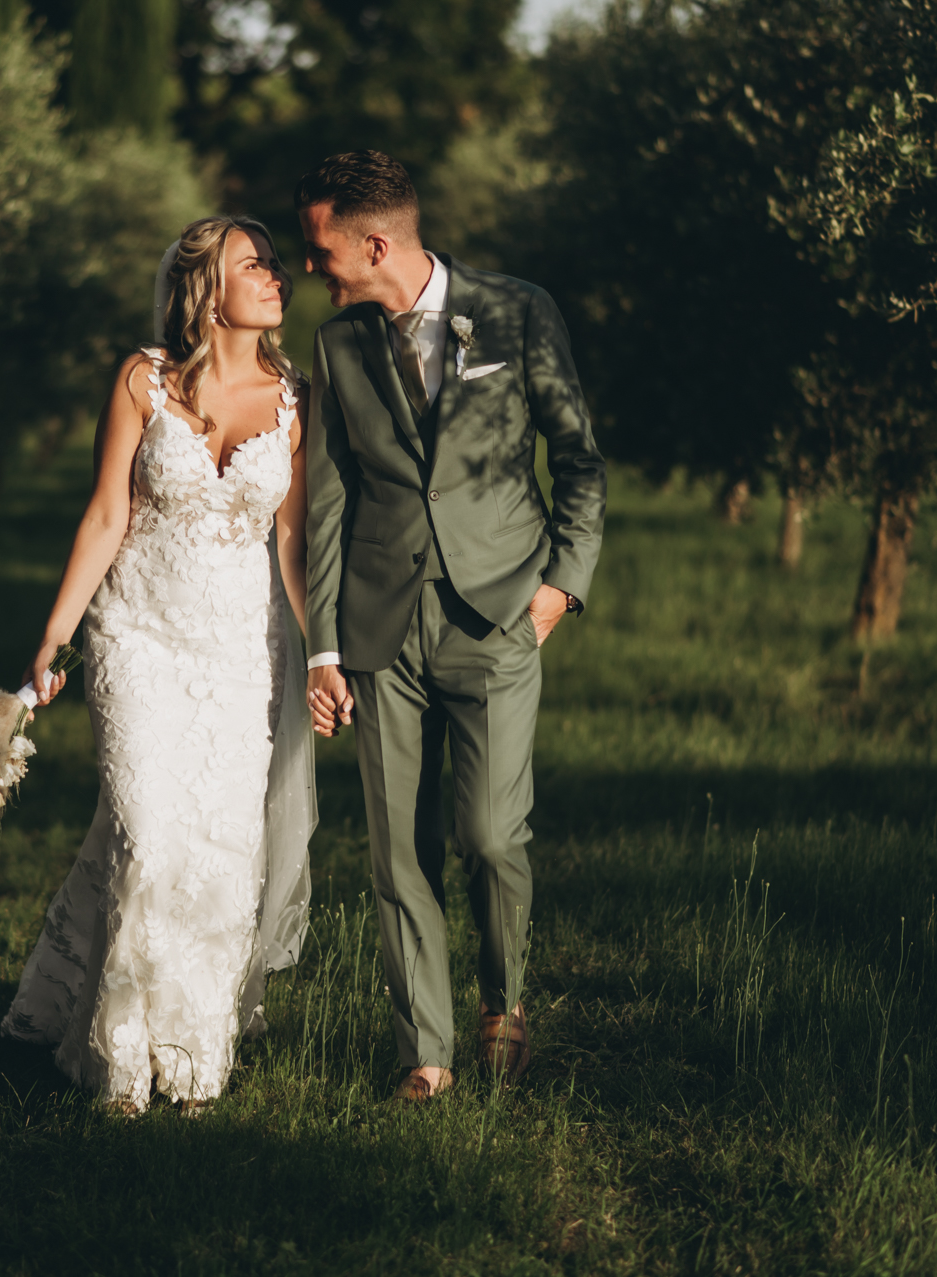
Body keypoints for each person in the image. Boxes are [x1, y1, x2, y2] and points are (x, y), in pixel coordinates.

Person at [299, 151, 606, 1103]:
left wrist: (562, 584)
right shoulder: (337, 343)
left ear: (374, 245)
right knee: (399, 849)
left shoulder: (518, 311)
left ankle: (503, 1002)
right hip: (379, 625)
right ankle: (424, 1053)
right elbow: (329, 498)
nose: (309, 267)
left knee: (490, 834)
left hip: (500, 611)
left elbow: (579, 458)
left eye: (320, 250)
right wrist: (323, 646)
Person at [0, 217, 316, 1115]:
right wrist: (55, 634)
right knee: (146, 832)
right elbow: (107, 514)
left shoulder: (294, 399)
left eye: (276, 266)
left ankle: (191, 1053)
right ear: (207, 288)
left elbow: (291, 543)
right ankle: (118, 1059)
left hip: (241, 652)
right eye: (255, 265)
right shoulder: (143, 380)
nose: (277, 277)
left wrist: (323, 656)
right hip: (137, 634)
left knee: (219, 847)